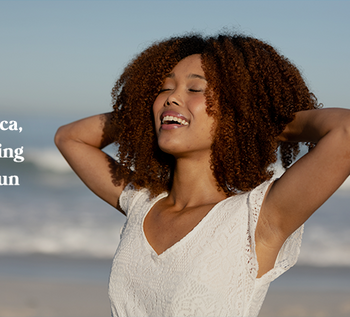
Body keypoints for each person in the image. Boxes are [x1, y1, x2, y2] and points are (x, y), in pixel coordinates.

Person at [54, 33, 350, 316]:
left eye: (195, 89)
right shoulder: (141, 204)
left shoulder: (257, 219)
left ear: (234, 112)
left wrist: (259, 122)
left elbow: (345, 132)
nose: (171, 98)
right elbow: (69, 137)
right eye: (163, 88)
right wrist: (142, 112)